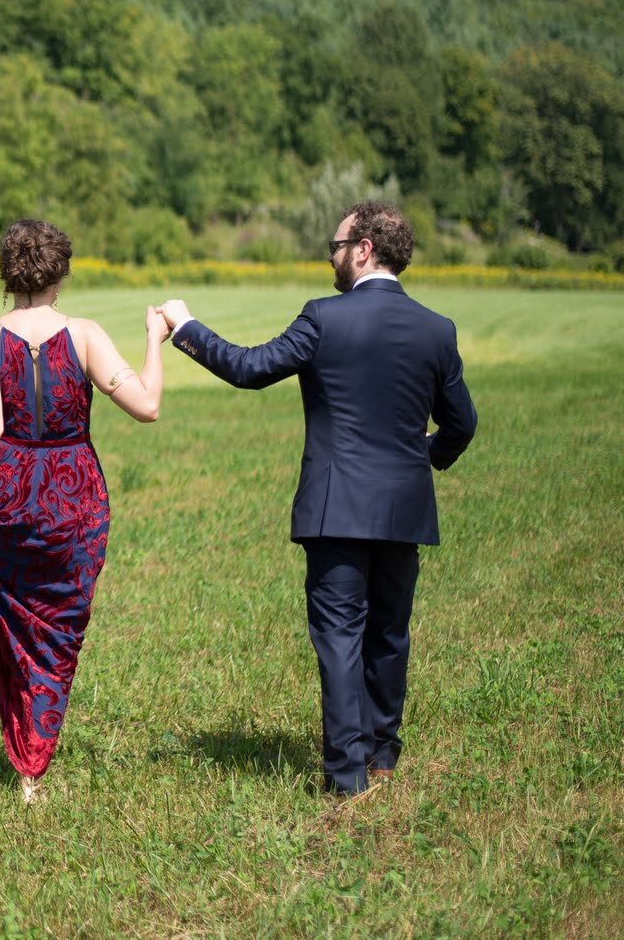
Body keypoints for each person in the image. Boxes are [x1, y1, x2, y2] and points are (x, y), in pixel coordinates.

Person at [158, 201, 476, 801]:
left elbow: (250, 369)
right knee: (389, 633)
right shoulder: (438, 330)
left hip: (335, 509)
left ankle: (346, 775)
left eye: (334, 246)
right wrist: (423, 458)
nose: (328, 257)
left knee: (339, 637)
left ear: (363, 250)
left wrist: (187, 327)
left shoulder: (324, 319)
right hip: (404, 508)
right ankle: (383, 756)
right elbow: (462, 423)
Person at [0, 218, 170, 802]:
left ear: (6, 274)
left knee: (9, 619)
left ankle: (21, 741)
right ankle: (31, 756)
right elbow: (147, 406)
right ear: (59, 274)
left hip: (6, 496)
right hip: (73, 497)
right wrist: (153, 341)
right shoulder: (84, 334)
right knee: (57, 627)